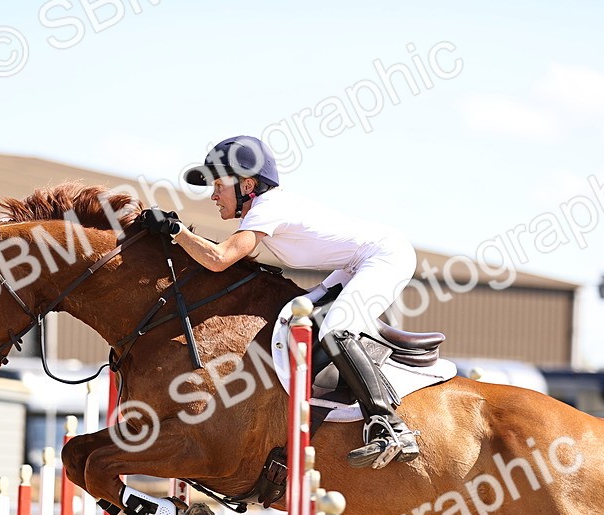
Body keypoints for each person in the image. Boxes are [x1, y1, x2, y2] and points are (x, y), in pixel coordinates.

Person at [141, 135, 421, 470]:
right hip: (352, 266)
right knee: (294, 317)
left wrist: (176, 231)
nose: (213, 195)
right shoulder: (260, 213)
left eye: (219, 185)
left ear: (247, 184)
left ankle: (390, 425)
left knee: (335, 330)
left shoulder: (268, 208)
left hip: (385, 256)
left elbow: (218, 259)